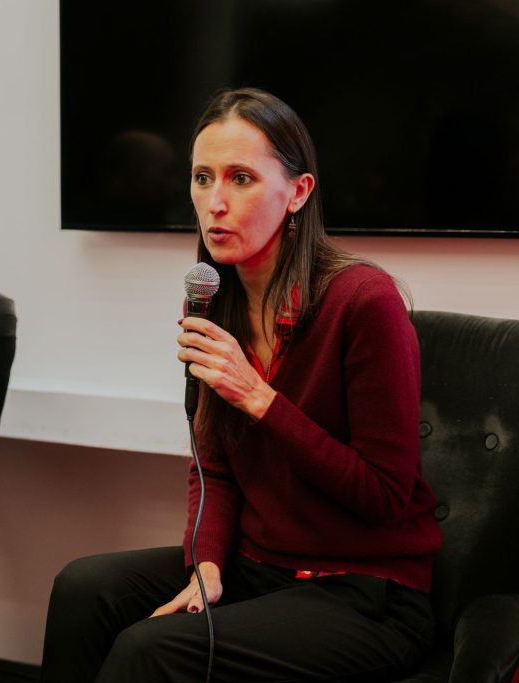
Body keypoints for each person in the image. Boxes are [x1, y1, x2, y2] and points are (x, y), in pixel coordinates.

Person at [40, 88, 443, 682]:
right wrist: (205, 562)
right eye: (202, 178)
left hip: (364, 592)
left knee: (151, 651)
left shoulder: (363, 301)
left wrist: (259, 398)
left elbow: (383, 495)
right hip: (258, 564)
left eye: (242, 179)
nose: (215, 203)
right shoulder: (210, 299)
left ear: (298, 192)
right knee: (83, 589)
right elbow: (214, 466)